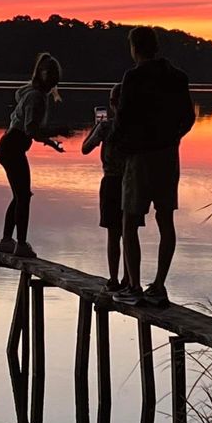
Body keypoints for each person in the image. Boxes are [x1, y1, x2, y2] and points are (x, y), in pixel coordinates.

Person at [110, 26, 195, 306]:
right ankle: (159, 284)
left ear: (135, 47)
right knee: (165, 219)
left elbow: (122, 118)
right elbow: (188, 117)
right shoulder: (178, 77)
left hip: (140, 156)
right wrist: (173, 139)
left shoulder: (133, 77)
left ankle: (134, 286)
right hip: (168, 156)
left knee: (129, 221)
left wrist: (121, 149)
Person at [0, 53, 67, 258]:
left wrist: (52, 143)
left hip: (9, 147)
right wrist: (56, 131)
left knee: (20, 195)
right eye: (49, 73)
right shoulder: (35, 97)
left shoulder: (36, 95)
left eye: (55, 74)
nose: (53, 78)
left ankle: (7, 241)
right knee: (23, 196)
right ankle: (21, 244)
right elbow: (30, 130)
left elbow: (31, 131)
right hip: (11, 148)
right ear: (41, 75)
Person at [81, 83, 143, 293]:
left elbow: (85, 148)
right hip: (133, 182)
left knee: (113, 234)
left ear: (113, 104)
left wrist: (95, 128)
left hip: (111, 182)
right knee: (130, 233)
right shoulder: (137, 128)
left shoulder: (106, 127)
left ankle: (114, 278)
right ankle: (130, 279)